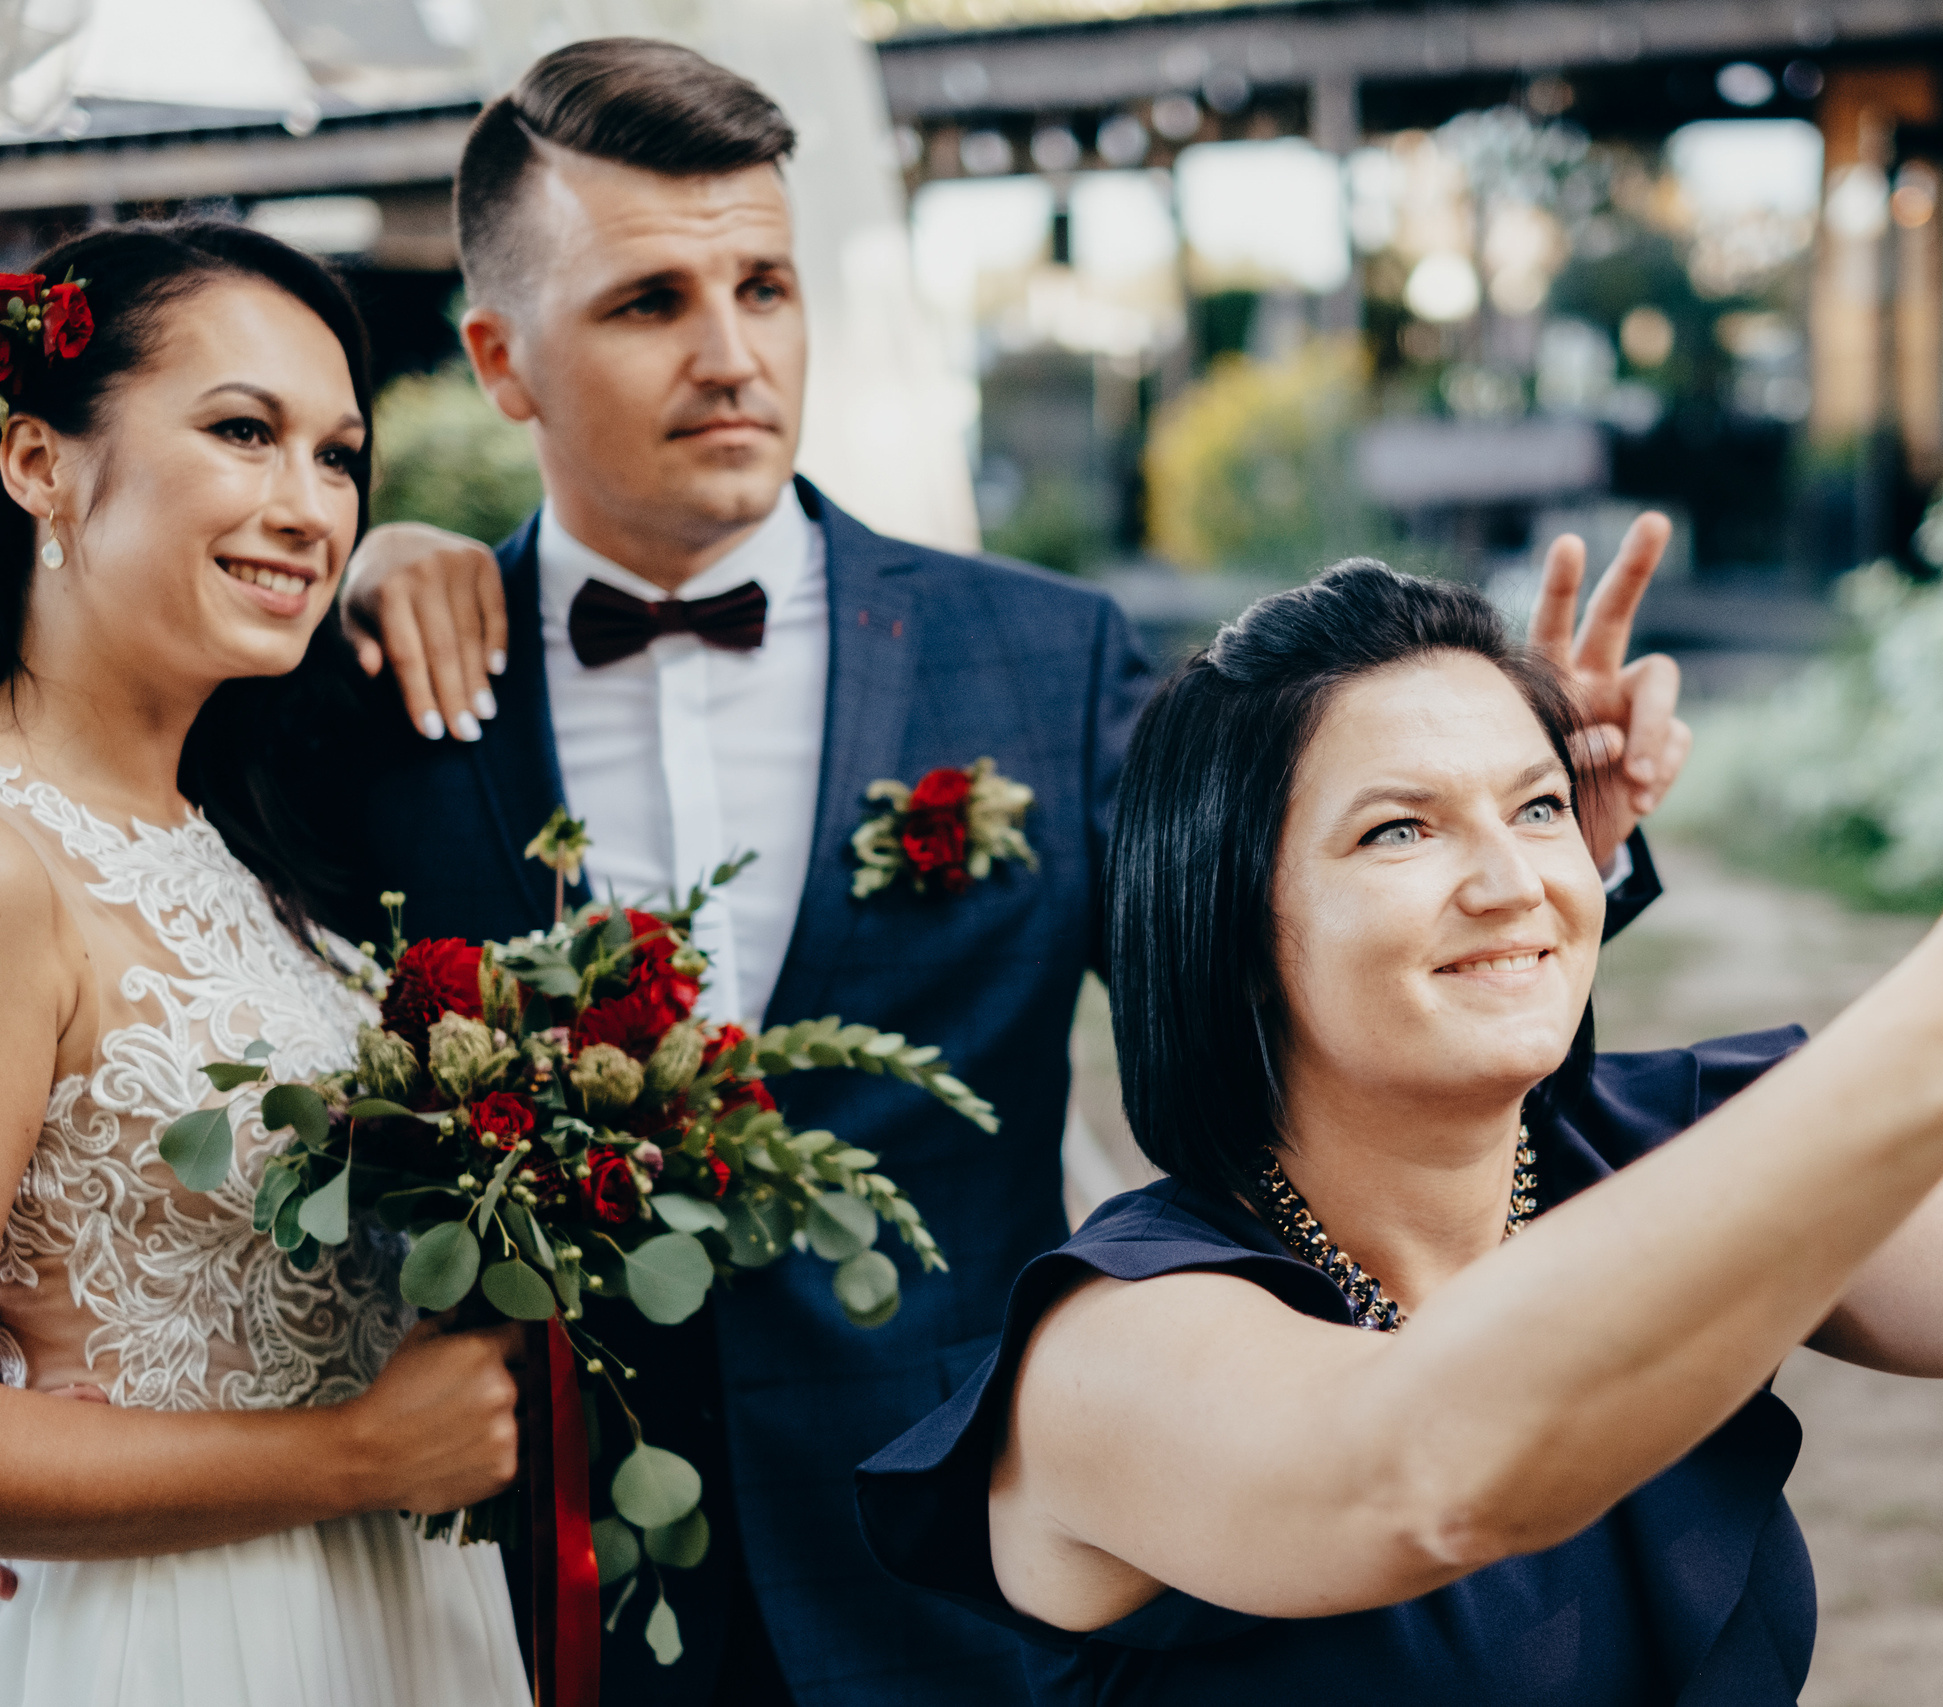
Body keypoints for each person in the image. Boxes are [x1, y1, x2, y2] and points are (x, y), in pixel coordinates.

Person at [337, 38, 1689, 1705]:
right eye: (648, 304)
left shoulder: (1039, 656)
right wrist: (360, 554)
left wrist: (1560, 851)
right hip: (526, 1600)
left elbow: (1270, 961)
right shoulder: (372, 698)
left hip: (974, 1572)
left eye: (764, 286)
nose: (733, 353)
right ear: (500, 359)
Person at [855, 562, 1943, 1704]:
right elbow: (1432, 1469)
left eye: (1533, 809)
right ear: (1231, 923)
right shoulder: (1111, 1357)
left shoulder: (1664, 1147)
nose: (1516, 881)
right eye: (1400, 829)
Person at [0, 221, 530, 1706]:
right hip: (170, 1639)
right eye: (243, 433)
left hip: (384, 1610)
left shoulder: (243, 830)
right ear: (37, 462)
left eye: (339, 457)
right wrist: (360, 1453)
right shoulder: (10, 863)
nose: (308, 507)